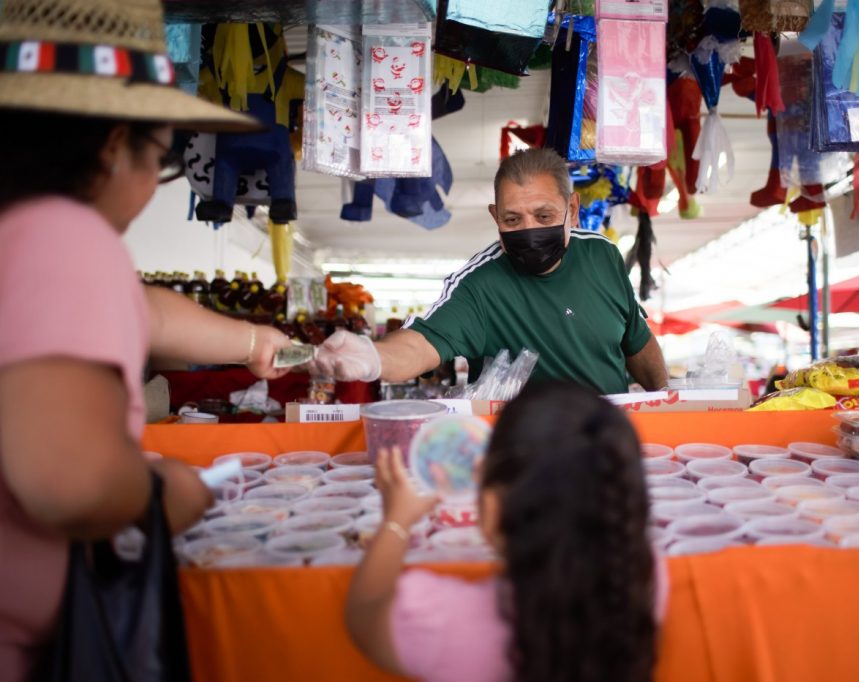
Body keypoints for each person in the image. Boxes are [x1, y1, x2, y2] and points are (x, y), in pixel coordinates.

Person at [0, 0, 293, 677]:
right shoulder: (62, 234)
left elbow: (145, 313)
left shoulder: (18, 235)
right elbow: (72, 483)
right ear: (112, 144)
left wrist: (253, 342)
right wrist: (164, 492)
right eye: (161, 159)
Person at [346, 381, 667, 682]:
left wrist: (396, 521)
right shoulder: (645, 578)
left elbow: (363, 613)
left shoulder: (440, 620)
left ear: (493, 507)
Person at [313, 148, 668, 395]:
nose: (529, 230)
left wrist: (666, 400)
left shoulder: (602, 255)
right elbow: (420, 344)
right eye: (513, 219)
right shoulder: (479, 286)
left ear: (571, 210)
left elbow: (637, 341)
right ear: (495, 217)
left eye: (544, 216)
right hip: (527, 463)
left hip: (612, 449)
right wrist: (373, 357)